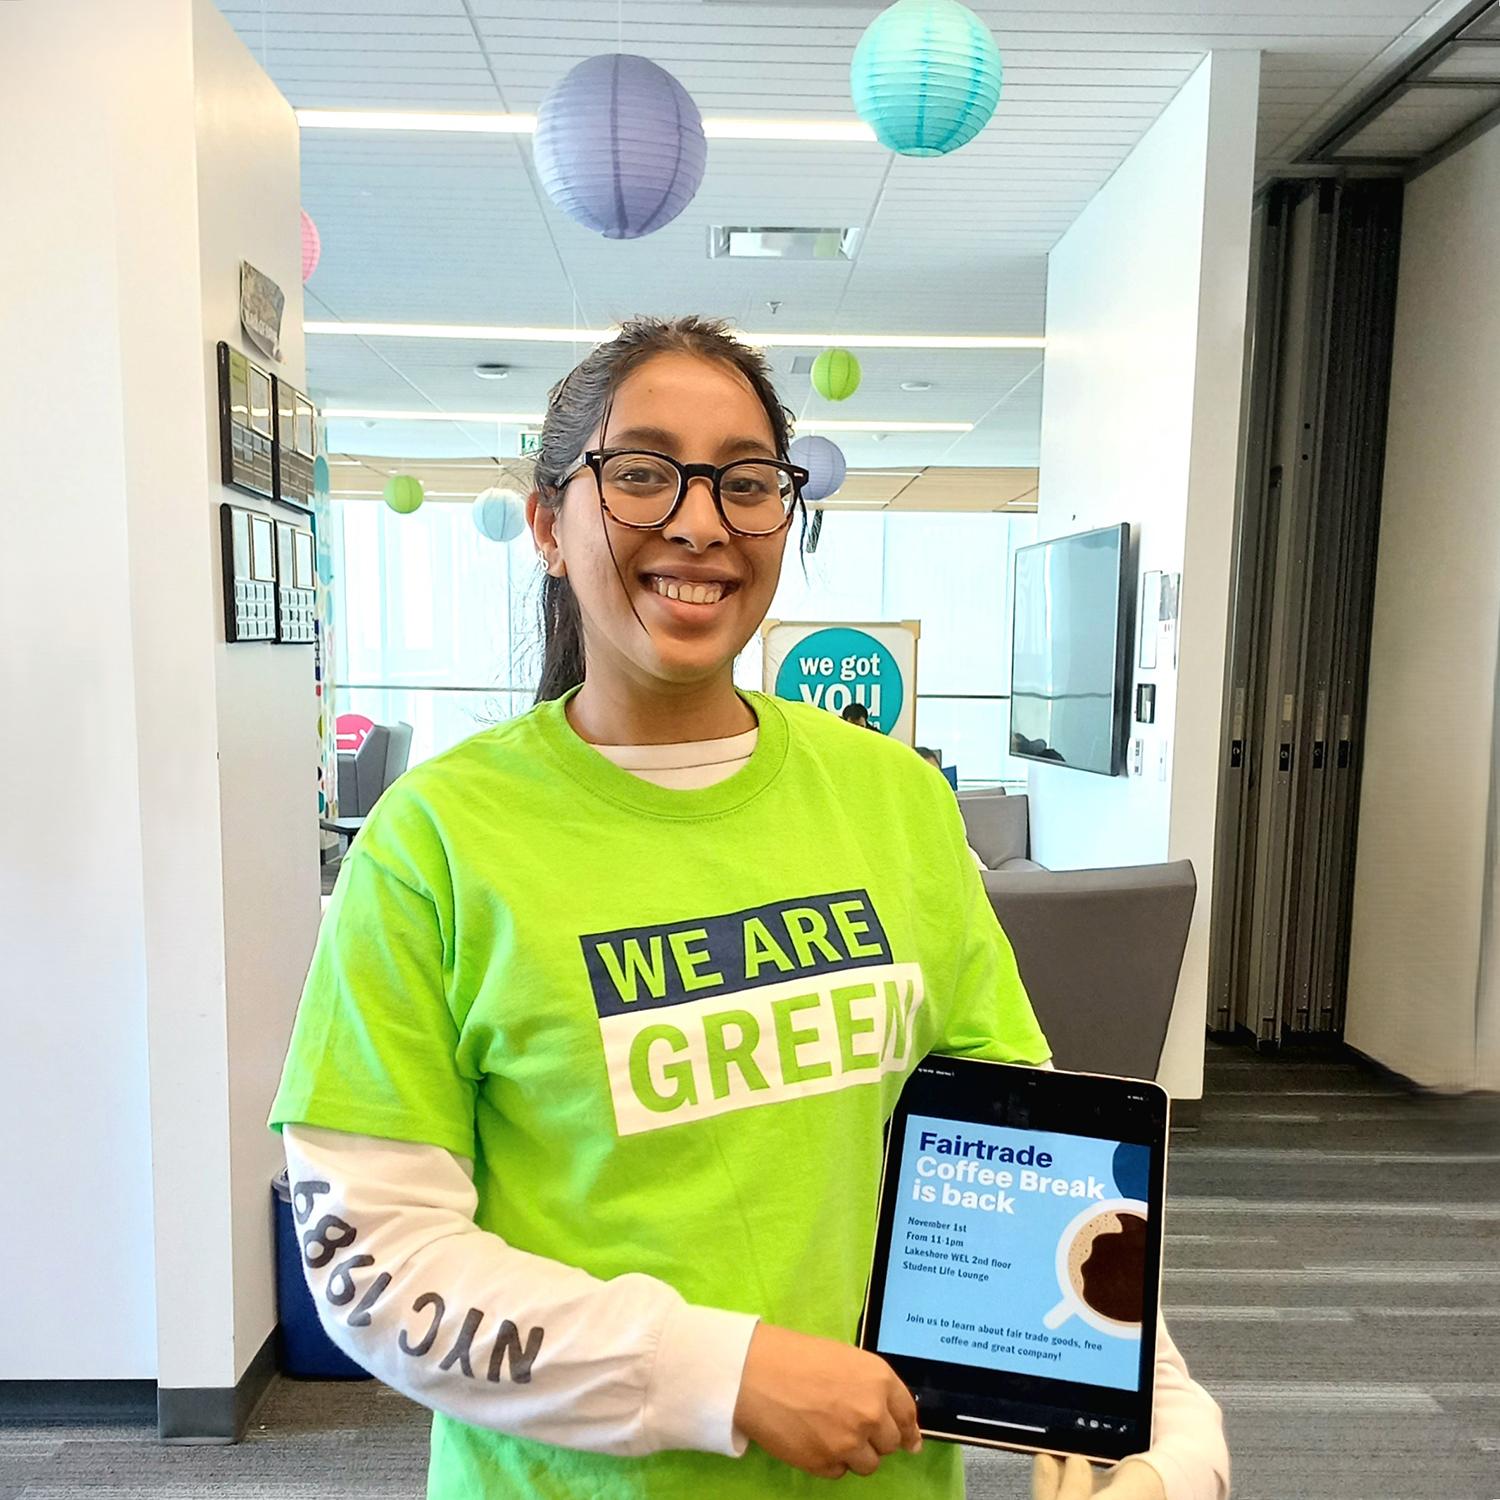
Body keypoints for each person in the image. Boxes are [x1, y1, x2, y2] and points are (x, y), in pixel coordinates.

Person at [269, 317, 1228, 1500]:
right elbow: (374, 1265)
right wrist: (722, 1373)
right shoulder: (437, 841)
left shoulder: (893, 801)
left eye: (747, 479)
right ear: (546, 525)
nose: (701, 519)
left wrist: (1145, 1410)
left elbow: (1020, 1157)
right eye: (641, 472)